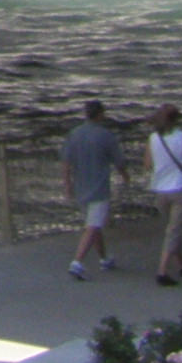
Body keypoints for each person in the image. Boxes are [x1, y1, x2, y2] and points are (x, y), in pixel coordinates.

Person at [63, 99, 121, 279]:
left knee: (93, 224)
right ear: (100, 114)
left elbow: (66, 161)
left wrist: (68, 184)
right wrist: (125, 174)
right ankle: (77, 262)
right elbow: (118, 160)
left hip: (82, 186)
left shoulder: (74, 134)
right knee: (93, 226)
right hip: (99, 187)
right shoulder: (105, 135)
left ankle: (104, 258)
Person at [147, 103, 182, 284]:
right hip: (181, 187)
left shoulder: (153, 138)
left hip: (160, 190)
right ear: (176, 120)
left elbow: (147, 164)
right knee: (173, 230)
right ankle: (162, 271)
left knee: (172, 229)